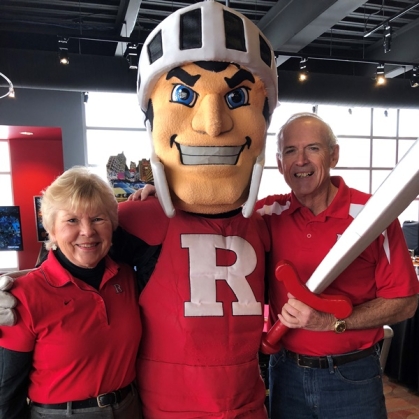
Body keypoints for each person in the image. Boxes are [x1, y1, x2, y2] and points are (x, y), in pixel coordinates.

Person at [0, 2, 278, 418]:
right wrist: (14, 290)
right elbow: (70, 267)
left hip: (243, 400)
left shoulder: (267, 223)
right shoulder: (139, 221)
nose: (213, 123)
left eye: (237, 97)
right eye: (184, 95)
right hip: (163, 405)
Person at [255, 112, 419, 419]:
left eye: (313, 148)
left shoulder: (373, 217)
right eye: (290, 151)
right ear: (279, 164)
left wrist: (332, 322)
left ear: (334, 154)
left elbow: (406, 303)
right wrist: (157, 199)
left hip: (351, 377)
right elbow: (211, 219)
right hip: (286, 373)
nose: (300, 160)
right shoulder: (267, 213)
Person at [0, 166, 142, 419]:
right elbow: (6, 393)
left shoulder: (128, 278)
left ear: (113, 225)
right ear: (52, 229)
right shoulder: (21, 295)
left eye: (98, 218)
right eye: (72, 220)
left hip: (130, 407)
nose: (87, 231)